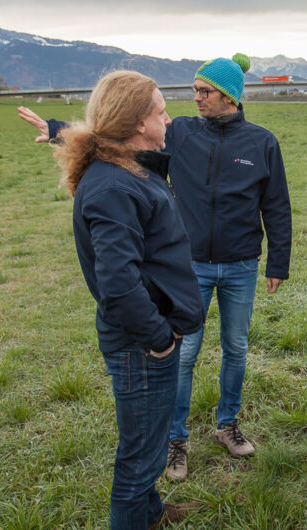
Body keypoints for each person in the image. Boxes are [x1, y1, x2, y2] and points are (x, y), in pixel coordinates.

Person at [19, 53, 292, 481]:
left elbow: (276, 205)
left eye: (205, 91)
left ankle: (228, 425)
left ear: (230, 97)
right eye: (195, 90)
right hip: (189, 267)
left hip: (241, 264)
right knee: (183, 355)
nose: (196, 98)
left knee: (236, 348)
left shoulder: (262, 142)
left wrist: (279, 260)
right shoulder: (179, 132)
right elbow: (115, 130)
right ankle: (175, 440)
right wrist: (58, 131)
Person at [50, 70, 204, 529]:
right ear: (138, 122)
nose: (168, 119)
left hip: (147, 338)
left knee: (149, 443)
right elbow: (118, 285)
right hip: (141, 345)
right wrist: (160, 340)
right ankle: (137, 514)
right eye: (161, 112)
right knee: (139, 459)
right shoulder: (115, 185)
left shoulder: (129, 171)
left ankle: (150, 513)